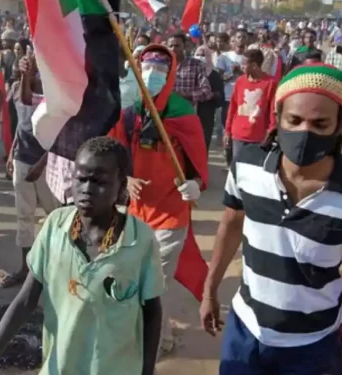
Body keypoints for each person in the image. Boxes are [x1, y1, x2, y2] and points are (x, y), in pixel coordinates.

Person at [202, 64, 342, 375]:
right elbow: (231, 224)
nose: (305, 132)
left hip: (314, 347)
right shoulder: (246, 167)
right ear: (278, 118)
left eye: (320, 123)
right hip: (246, 333)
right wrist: (210, 289)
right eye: (295, 120)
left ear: (340, 125)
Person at [0, 136, 165, 375]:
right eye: (81, 179)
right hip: (61, 366)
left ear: (122, 186)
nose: (87, 189)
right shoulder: (55, 226)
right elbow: (24, 301)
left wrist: (147, 371)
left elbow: (152, 312)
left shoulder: (139, 239)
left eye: (100, 182)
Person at [109, 45, 208, 355]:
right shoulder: (129, 112)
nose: (152, 75)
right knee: (141, 281)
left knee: (154, 281)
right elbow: (113, 155)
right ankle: (161, 338)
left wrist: (195, 184)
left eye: (160, 70)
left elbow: (198, 167)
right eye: (147, 68)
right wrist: (125, 179)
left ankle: (148, 344)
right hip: (136, 213)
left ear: (171, 74)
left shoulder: (183, 114)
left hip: (171, 214)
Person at [1, 55, 58, 288]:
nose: (30, 70)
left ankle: (57, 266)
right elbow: (21, 122)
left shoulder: (54, 95)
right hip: (23, 160)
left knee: (56, 216)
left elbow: (60, 136)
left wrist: (41, 164)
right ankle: (26, 269)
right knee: (24, 216)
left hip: (47, 165)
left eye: (35, 67)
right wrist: (13, 151)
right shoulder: (17, 88)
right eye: (27, 65)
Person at [224, 49, 278, 160]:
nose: (241, 67)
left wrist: (271, 131)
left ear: (254, 65)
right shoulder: (240, 81)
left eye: (244, 64)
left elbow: (273, 110)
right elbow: (233, 108)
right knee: (237, 169)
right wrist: (228, 131)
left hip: (258, 138)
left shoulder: (270, 83)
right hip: (238, 135)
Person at [166, 32, 213, 107]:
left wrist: (186, 95)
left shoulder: (196, 64)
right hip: (164, 113)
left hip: (186, 111)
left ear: (184, 46)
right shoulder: (162, 65)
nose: (173, 49)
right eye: (170, 46)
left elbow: (206, 92)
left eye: (177, 46)